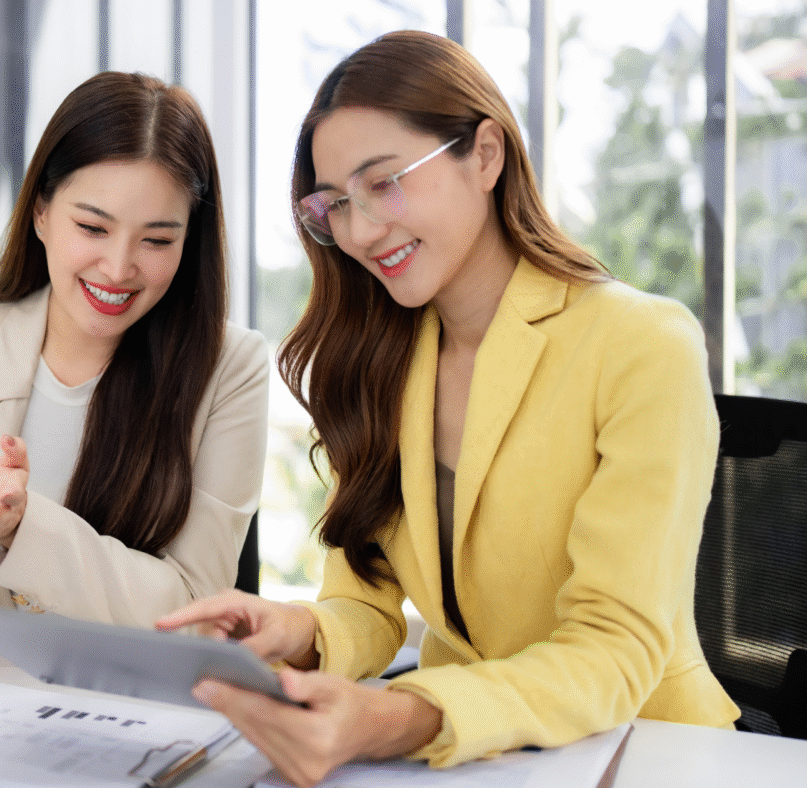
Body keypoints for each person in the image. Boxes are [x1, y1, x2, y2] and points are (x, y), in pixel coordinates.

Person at [156, 30, 739, 787]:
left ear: (487, 154)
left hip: (647, 754)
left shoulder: (642, 344)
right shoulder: (381, 355)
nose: (361, 231)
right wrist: (297, 631)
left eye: (385, 182)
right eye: (334, 204)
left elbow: (612, 646)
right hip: (467, 765)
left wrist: (403, 717)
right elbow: (364, 603)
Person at [0, 71, 269, 636]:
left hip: (130, 708)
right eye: (92, 226)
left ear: (188, 242)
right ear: (40, 214)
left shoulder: (232, 368)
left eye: (157, 240)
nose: (119, 268)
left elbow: (197, 613)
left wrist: (25, 529)